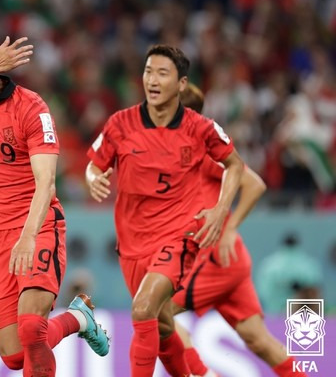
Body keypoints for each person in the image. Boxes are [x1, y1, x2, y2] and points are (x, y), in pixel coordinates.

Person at [0, 19, 109, 376]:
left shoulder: (32, 108)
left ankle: (74, 316)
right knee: (14, 356)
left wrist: (28, 235)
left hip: (37, 224)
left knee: (31, 327)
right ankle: (77, 317)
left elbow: (47, 184)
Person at [85, 45, 244, 376]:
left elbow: (236, 165)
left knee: (143, 309)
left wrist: (219, 210)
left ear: (182, 84)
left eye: (162, 73)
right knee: (161, 324)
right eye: (148, 71)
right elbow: (93, 165)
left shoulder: (200, 128)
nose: (152, 80)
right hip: (131, 243)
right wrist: (93, 179)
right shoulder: (120, 124)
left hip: (177, 236)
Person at [168, 83, 307, 377]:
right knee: (259, 341)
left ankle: (203, 375)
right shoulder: (176, 152)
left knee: (154, 312)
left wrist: (229, 228)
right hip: (228, 261)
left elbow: (255, 184)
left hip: (213, 259)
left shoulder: (203, 151)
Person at [256, 232, 323, 315]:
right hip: (278, 311)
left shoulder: (269, 264)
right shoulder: (308, 264)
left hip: (275, 314)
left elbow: (262, 292)